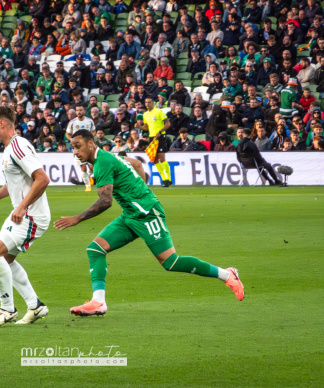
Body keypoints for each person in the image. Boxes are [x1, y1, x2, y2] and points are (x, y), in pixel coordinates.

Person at [53, 130, 245, 316]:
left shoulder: (102, 162)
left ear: (91, 143)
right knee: (95, 249)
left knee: (171, 262)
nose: (75, 152)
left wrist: (77, 218)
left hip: (147, 214)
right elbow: (136, 163)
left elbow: (105, 201)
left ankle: (227, 275)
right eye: (73, 148)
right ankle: (98, 302)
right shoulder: (105, 156)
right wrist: (140, 190)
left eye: (78, 146)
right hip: (131, 214)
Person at [0, 106, 51, 327]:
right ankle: (35, 306)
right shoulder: (10, 149)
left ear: (1, 123)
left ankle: (7, 310)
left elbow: (42, 179)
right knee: (4, 260)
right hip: (23, 213)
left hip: (32, 215)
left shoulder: (18, 146)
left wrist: (22, 207)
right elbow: (14, 184)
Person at [143, 97, 172, 186]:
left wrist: (160, 131)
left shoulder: (159, 111)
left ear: (153, 103)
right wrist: (138, 126)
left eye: (149, 102)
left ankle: (168, 178)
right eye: (146, 102)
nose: (147, 103)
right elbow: (146, 127)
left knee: (161, 158)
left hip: (160, 137)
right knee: (154, 159)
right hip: (152, 138)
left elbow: (168, 123)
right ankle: (164, 179)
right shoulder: (145, 114)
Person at [66, 105, 95, 191]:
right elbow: (67, 133)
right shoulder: (72, 122)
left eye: (80, 110)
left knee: (92, 167)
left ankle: (89, 175)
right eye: (77, 110)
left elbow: (94, 131)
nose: (79, 112)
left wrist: (90, 138)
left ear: (84, 111)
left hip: (88, 147)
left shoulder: (89, 121)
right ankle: (88, 186)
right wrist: (72, 140)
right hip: (78, 148)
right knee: (83, 166)